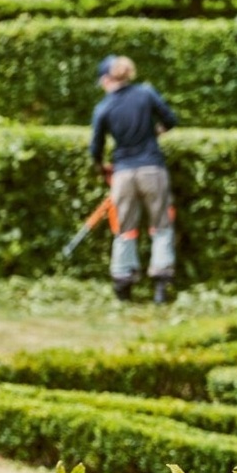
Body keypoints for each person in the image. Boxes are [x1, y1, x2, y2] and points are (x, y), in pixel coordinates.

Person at [89, 54, 179, 303]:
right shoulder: (146, 94)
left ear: (107, 79)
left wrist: (101, 167)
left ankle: (123, 284)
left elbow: (95, 147)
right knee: (160, 225)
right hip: (152, 168)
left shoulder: (104, 107)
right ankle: (161, 286)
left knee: (125, 229)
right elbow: (170, 120)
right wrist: (155, 132)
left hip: (123, 173)